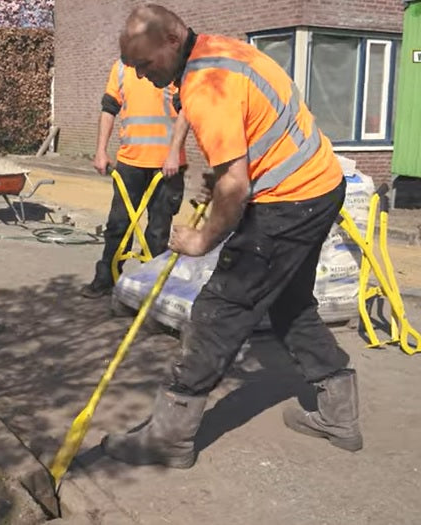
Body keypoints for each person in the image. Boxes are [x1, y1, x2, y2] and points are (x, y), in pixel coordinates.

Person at [101, 4, 362, 469]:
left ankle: (169, 437)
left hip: (290, 200)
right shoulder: (220, 52)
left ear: (173, 39)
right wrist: (223, 177)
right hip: (319, 185)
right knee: (288, 301)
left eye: (146, 63)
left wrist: (202, 239)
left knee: (221, 309)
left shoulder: (205, 88)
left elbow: (237, 186)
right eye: (134, 67)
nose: (142, 75)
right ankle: (338, 412)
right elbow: (246, 148)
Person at [81, 58, 188, 298]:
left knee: (158, 233)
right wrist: (100, 151)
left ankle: (150, 289)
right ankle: (106, 279)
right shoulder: (121, 68)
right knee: (118, 225)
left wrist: (173, 155)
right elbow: (109, 109)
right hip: (130, 165)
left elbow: (186, 113)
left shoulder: (173, 65)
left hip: (167, 167)